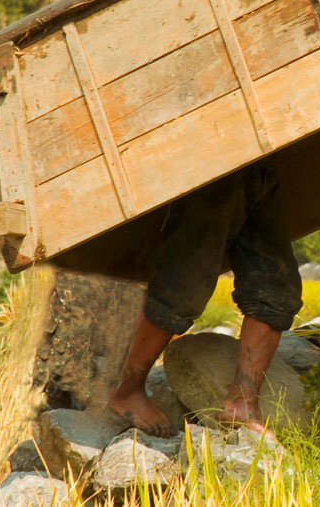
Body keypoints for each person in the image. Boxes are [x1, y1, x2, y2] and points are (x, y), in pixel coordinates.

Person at [107, 162, 303, 438]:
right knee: (184, 285)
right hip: (213, 159)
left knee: (277, 288)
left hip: (257, 164)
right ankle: (126, 391)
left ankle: (242, 404)